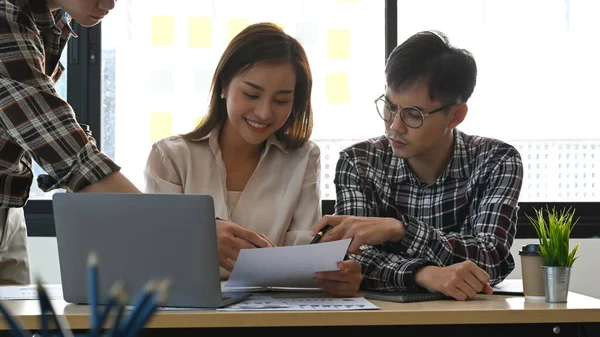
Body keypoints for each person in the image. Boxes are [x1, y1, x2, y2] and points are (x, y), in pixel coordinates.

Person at [144, 23, 362, 297]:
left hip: (272, 315)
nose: (264, 113)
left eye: (282, 101)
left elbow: (305, 256)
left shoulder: (303, 158)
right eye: (251, 94)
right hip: (188, 313)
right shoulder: (171, 156)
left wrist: (338, 273)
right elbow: (153, 254)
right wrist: (196, 240)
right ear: (224, 85)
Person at [311, 30, 524, 301]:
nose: (394, 126)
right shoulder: (359, 161)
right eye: (389, 107)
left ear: (456, 115)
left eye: (413, 115)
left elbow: (490, 258)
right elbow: (354, 262)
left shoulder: (496, 160)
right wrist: (424, 274)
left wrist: (399, 230)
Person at [0, 0, 141, 285]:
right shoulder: (5, 16)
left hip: (9, 208)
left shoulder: (48, 19)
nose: (110, 3)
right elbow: (59, 140)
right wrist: (180, 228)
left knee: (21, 325)